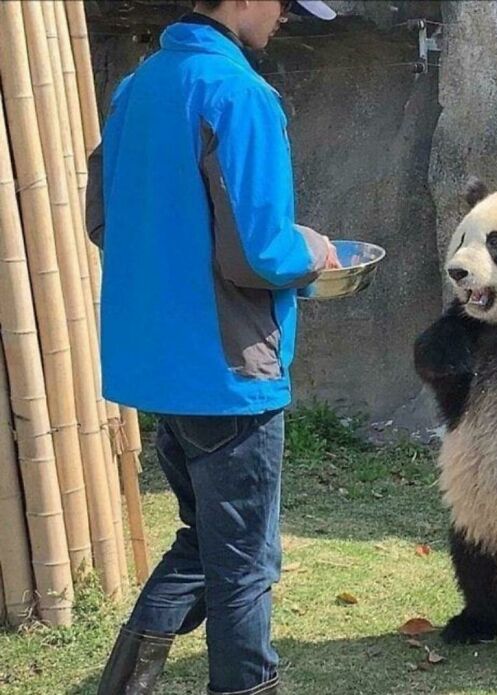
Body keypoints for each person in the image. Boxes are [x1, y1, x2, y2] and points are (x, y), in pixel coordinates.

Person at [87, 2, 340, 693]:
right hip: (229, 374)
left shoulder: (136, 89)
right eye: (285, 2)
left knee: (204, 546)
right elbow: (260, 252)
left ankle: (121, 685)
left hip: (163, 367)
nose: (287, 15)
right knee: (246, 567)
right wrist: (312, 250)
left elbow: (104, 219)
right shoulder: (240, 94)